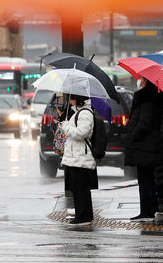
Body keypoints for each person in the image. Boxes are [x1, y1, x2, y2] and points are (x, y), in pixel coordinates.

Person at [125, 78, 163, 222]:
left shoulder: (146, 100)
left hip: (144, 146)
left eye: (141, 79)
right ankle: (149, 209)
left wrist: (132, 135)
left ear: (146, 82)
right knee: (147, 179)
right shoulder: (154, 99)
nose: (139, 81)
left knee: (145, 180)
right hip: (149, 146)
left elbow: (144, 123)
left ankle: (146, 212)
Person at [61, 93, 98, 226]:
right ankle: (81, 215)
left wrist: (66, 126)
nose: (69, 101)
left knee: (81, 188)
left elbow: (81, 133)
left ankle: (84, 217)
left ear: (77, 99)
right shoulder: (78, 113)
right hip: (75, 156)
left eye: (71, 98)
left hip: (81, 157)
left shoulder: (85, 113)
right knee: (77, 188)